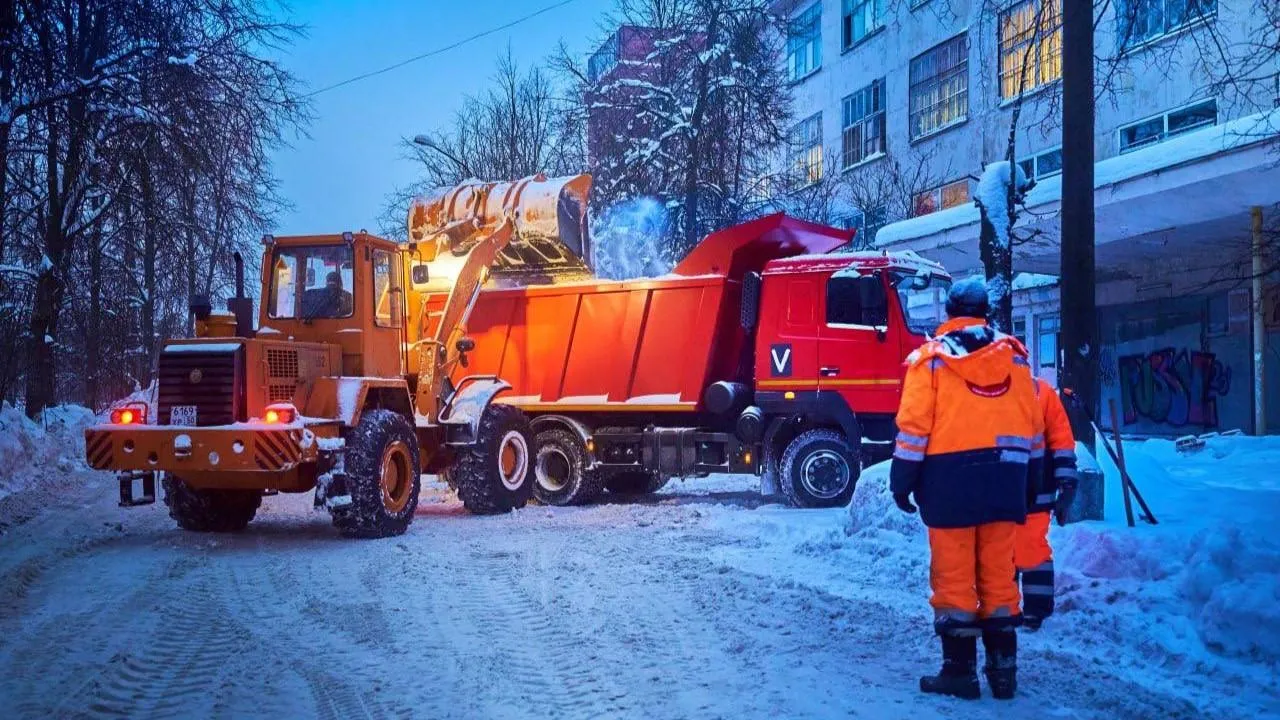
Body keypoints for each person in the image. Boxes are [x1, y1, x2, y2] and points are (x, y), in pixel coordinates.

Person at [890, 276, 1044, 700]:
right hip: (1006, 479)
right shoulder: (1015, 360)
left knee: (955, 578)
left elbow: (914, 429)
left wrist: (902, 481)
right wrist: (1032, 479)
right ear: (985, 313)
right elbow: (1033, 426)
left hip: (948, 482)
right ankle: (1004, 673)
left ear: (949, 314)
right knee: (999, 575)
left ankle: (960, 672)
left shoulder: (931, 361)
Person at [1017, 376, 1079, 630]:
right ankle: (1006, 609)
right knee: (1001, 549)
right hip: (1024, 487)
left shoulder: (1041, 392)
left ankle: (1034, 609)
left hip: (1030, 489)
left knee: (1028, 548)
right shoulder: (1039, 390)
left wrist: (1067, 482)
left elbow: (1061, 440)